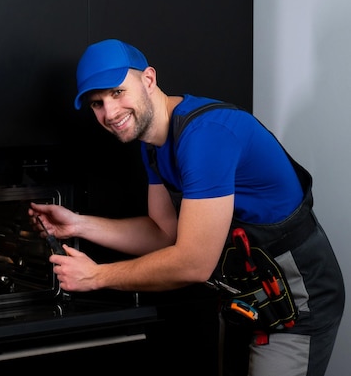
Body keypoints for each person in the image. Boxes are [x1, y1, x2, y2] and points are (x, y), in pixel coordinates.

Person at [28, 39, 345, 376]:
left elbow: (193, 263)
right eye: (97, 103)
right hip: (249, 301)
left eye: (117, 93)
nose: (109, 113)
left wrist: (97, 276)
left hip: (297, 303)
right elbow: (164, 233)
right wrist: (78, 224)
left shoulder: (206, 136)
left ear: (148, 79)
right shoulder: (154, 145)